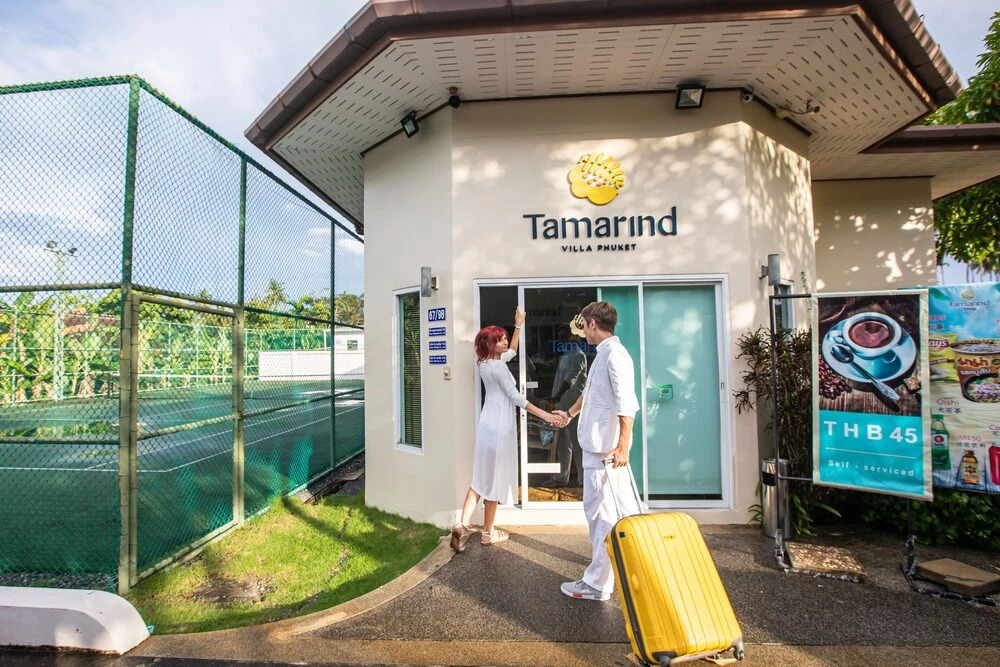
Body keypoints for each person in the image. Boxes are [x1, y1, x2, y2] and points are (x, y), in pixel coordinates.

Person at [451, 307, 566, 552]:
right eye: (500, 339)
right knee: (493, 482)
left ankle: (461, 525)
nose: (505, 342)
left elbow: (512, 351)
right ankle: (487, 534)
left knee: (479, 479)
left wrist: (518, 326)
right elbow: (516, 398)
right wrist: (548, 416)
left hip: (486, 426)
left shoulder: (484, 363)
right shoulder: (499, 368)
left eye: (504, 338)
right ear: (491, 344)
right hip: (500, 429)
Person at [554, 301, 640, 601]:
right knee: (616, 513)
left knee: (601, 514)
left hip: (605, 453)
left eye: (585, 325)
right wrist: (569, 413)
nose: (583, 332)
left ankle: (597, 584)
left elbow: (627, 403)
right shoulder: (603, 354)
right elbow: (590, 394)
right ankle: (630, 569)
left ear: (593, 324)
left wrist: (622, 446)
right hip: (600, 449)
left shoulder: (615, 355)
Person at [543, 325, 588, 487]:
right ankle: (562, 477)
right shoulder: (566, 355)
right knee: (563, 442)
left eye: (564, 336)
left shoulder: (578, 356)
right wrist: (555, 399)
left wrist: (555, 397)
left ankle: (583, 480)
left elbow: (570, 381)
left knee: (577, 442)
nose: (561, 339)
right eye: (560, 336)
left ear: (572, 337)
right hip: (562, 403)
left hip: (574, 405)